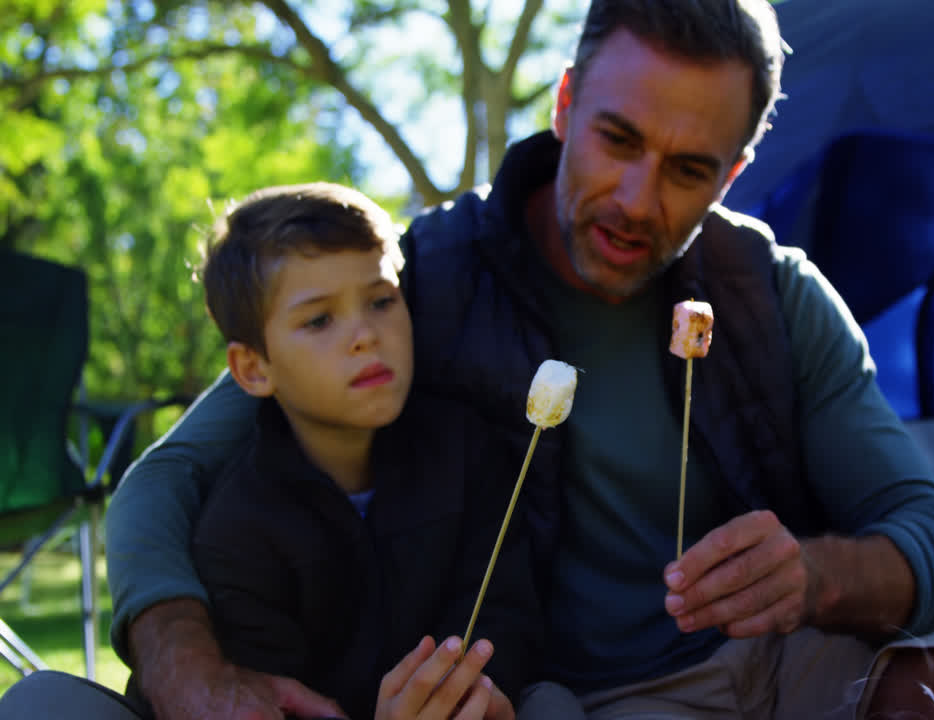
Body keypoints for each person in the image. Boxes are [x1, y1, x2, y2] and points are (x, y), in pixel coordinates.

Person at [2, 2, 934, 719]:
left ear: (734, 174)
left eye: (687, 169)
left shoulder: (773, 295)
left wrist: (816, 574)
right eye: (617, 140)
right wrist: (191, 671)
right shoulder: (417, 283)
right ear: (565, 105)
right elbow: (164, 479)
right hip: (567, 701)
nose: (637, 199)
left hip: (783, 666)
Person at [0, 182, 542, 720]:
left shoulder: (468, 453)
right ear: (253, 369)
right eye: (319, 319)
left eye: (382, 301)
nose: (365, 334)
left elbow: (504, 611)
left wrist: (468, 692)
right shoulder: (238, 528)